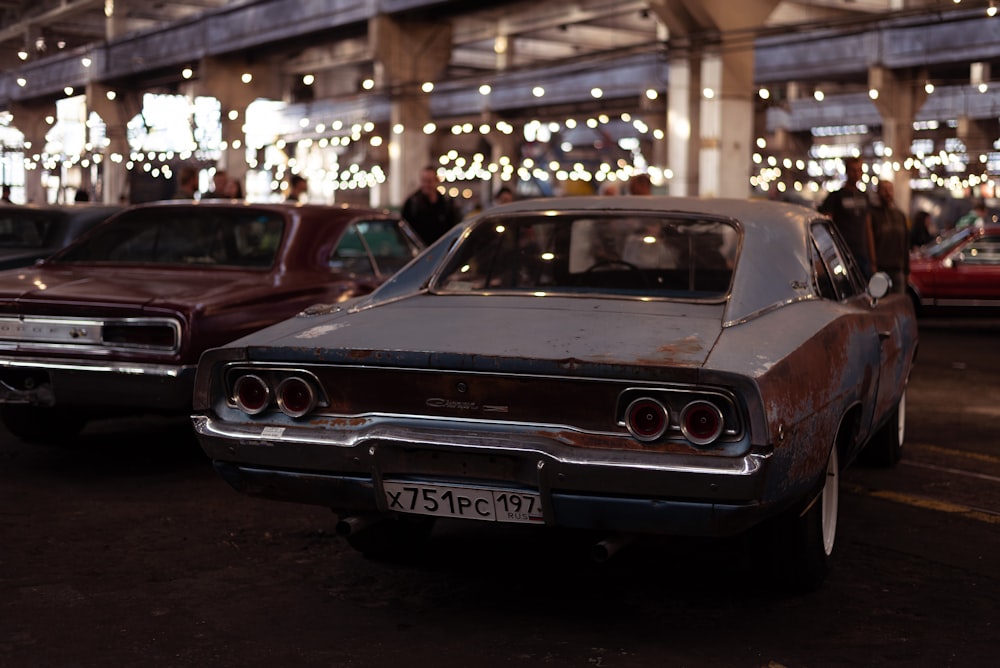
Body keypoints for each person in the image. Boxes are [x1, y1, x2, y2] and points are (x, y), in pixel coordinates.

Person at [818, 156, 876, 277]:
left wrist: (872, 258)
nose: (856, 174)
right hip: (842, 253)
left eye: (859, 170)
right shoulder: (836, 196)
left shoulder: (864, 196)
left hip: (862, 253)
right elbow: (826, 225)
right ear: (847, 172)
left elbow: (868, 227)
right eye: (853, 170)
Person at [402, 165, 461, 245]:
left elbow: (455, 228)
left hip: (442, 250)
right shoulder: (412, 203)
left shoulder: (447, 203)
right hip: (420, 252)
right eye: (423, 181)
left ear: (436, 181)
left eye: (429, 181)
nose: (426, 185)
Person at [869, 180, 909, 294]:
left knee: (898, 303)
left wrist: (907, 270)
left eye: (890, 190)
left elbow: (905, 244)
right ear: (878, 192)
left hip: (898, 269)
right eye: (884, 190)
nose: (888, 193)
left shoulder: (900, 216)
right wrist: (873, 264)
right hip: (880, 268)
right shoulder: (872, 215)